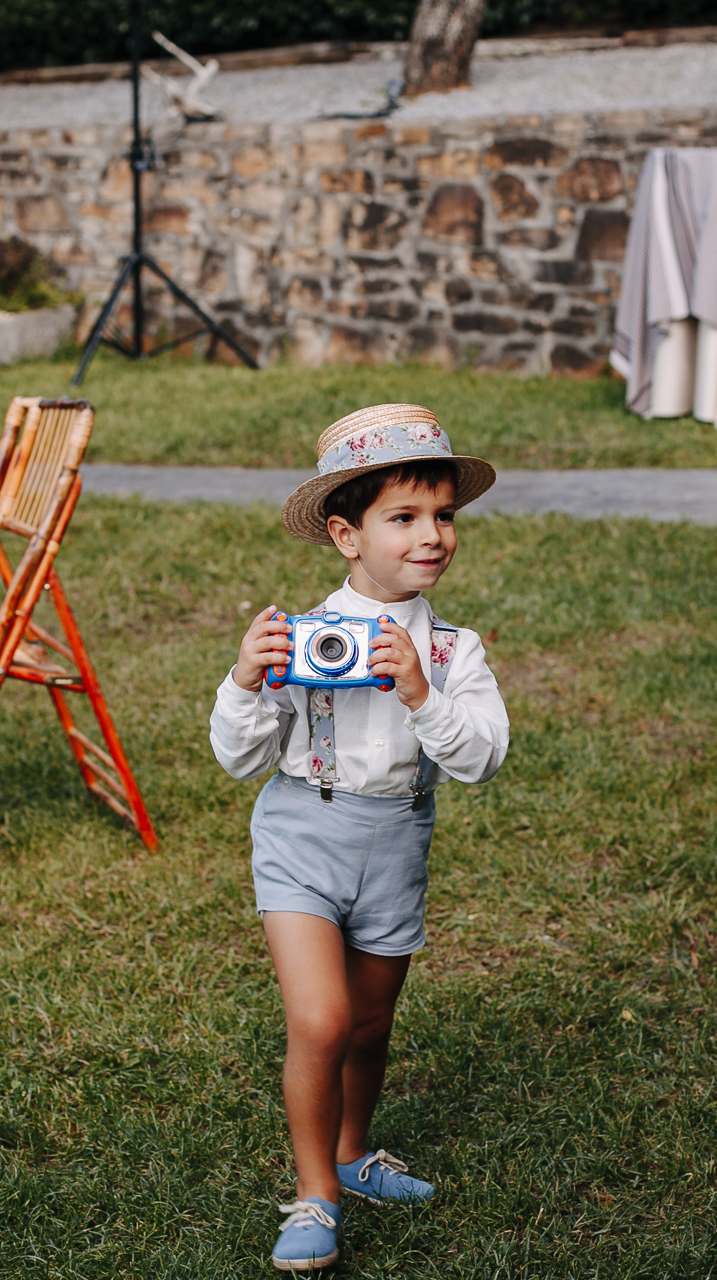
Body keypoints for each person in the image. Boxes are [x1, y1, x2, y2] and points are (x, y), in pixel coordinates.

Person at [209, 404, 510, 1271]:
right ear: (347, 535)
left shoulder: (455, 653)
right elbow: (238, 759)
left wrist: (422, 694)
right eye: (405, 518)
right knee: (322, 1018)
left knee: (371, 1024)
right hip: (305, 832)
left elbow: (483, 759)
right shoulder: (304, 637)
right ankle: (315, 1194)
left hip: (397, 841)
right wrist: (247, 678)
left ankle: (352, 1151)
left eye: (444, 516)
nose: (433, 536)